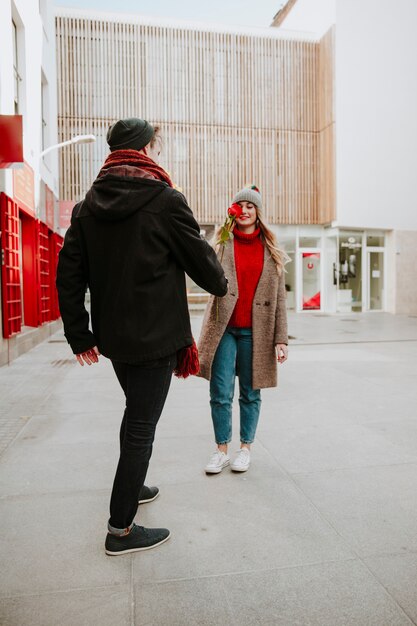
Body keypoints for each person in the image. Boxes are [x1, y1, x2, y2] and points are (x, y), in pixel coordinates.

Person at [56, 118, 227, 555]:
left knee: (135, 417)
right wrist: (219, 279)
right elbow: (205, 269)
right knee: (141, 428)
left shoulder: (87, 206)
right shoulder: (165, 199)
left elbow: (68, 277)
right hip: (157, 339)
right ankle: (120, 530)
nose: (157, 152)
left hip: (114, 339)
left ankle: (134, 488)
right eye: (156, 145)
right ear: (145, 148)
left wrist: (81, 334)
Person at [198, 185, 288, 474]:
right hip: (224, 329)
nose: (245, 210)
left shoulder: (272, 251)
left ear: (258, 212)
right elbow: (204, 271)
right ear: (233, 211)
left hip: (256, 333)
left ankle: (245, 448)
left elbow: (280, 300)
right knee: (220, 392)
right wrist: (221, 232)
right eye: (240, 206)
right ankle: (221, 449)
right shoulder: (222, 244)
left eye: (251, 206)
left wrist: (281, 339)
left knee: (250, 393)